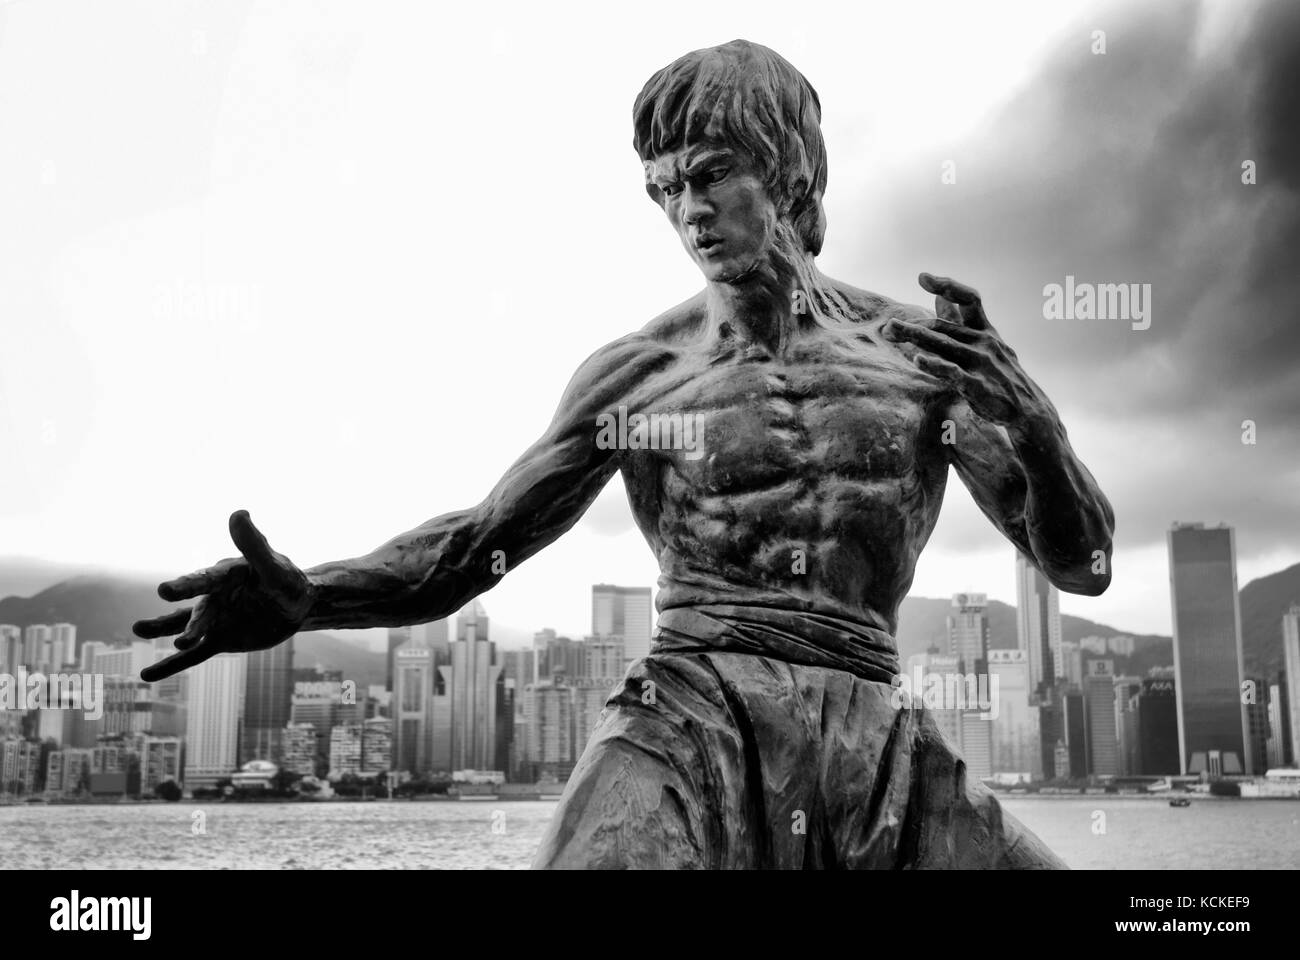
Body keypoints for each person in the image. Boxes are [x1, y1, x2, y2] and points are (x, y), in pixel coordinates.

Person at [136, 39, 1113, 869]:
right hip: (683, 715)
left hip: (877, 732)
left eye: (709, 173)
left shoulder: (920, 358)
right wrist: (313, 597)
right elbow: (473, 546)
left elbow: (1084, 562)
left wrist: (1033, 423)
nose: (685, 209)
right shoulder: (640, 376)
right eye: (664, 187)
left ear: (784, 169)